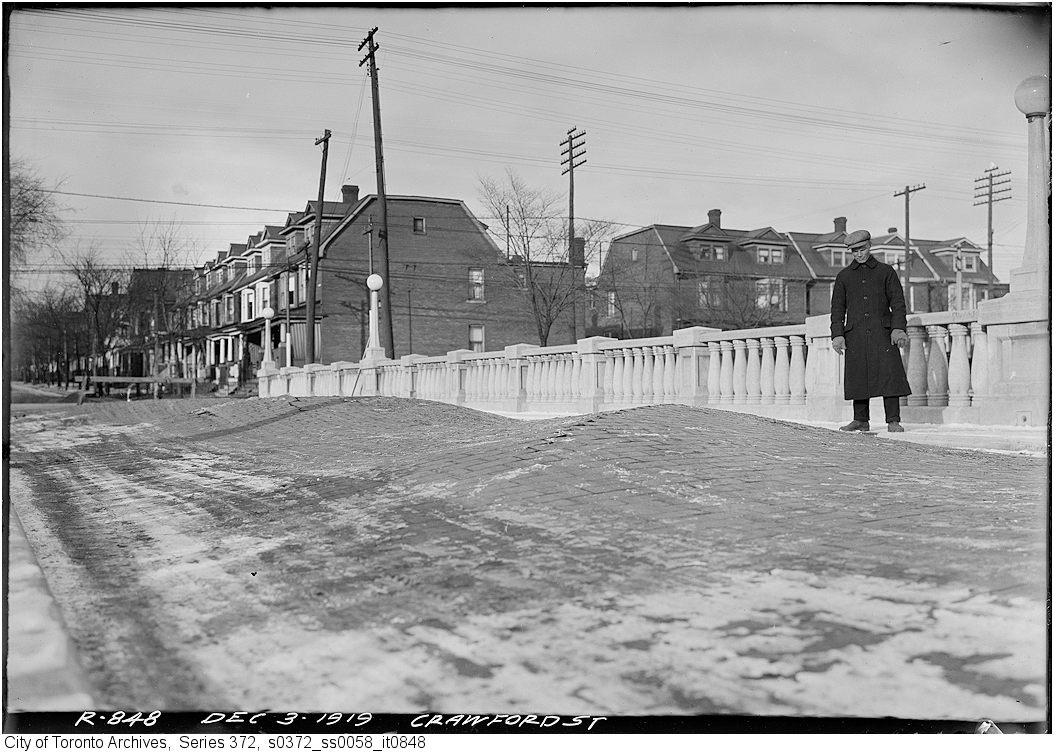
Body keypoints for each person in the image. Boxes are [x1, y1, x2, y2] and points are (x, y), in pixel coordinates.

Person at [830, 229, 911, 432]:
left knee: (889, 375)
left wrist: (898, 329)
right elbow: (837, 308)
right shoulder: (844, 276)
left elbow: (898, 304)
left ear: (870, 246)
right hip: (855, 333)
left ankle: (893, 420)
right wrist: (838, 334)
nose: (859, 254)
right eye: (854, 251)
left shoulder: (886, 272)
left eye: (862, 249)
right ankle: (860, 419)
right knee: (858, 375)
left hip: (882, 332)